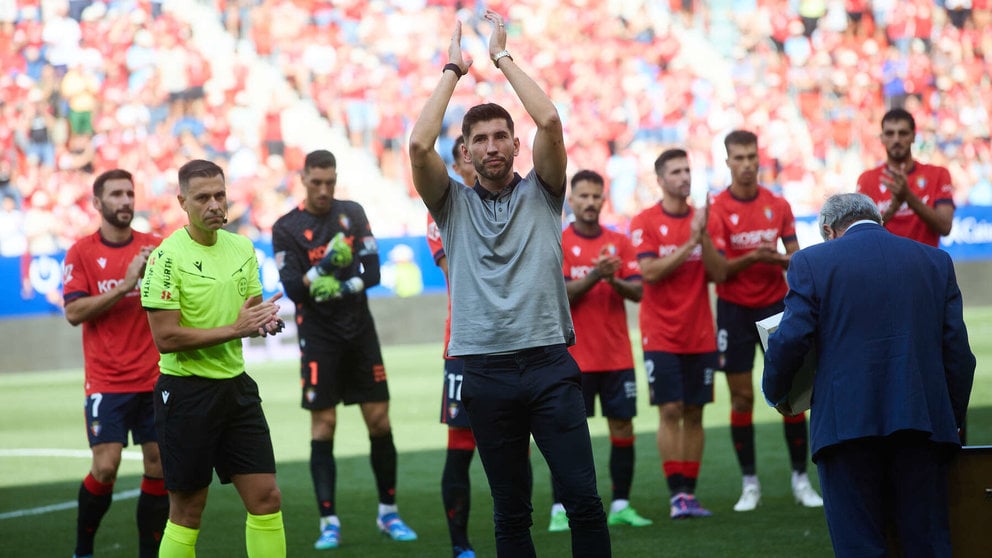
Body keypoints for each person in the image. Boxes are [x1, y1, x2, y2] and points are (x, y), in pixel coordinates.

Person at [408, 11, 611, 558]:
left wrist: (501, 58)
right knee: (511, 513)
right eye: (480, 139)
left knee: (583, 499)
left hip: (548, 363)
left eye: (501, 136)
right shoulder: (450, 205)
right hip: (484, 369)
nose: (492, 146)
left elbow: (550, 122)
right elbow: (419, 148)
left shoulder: (544, 192)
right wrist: (453, 69)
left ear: (515, 146)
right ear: (467, 153)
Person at [763, 193, 975, 558]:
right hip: (923, 426)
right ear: (878, 219)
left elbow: (791, 339)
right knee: (927, 546)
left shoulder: (811, 262)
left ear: (829, 230)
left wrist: (778, 394)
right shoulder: (935, 261)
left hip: (846, 428)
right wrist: (950, 419)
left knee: (860, 546)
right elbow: (958, 354)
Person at [271, 149, 417, 550]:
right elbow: (297, 290)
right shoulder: (286, 227)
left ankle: (388, 513)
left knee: (380, 423)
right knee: (324, 426)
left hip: (359, 332)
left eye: (330, 182)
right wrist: (325, 268)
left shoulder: (352, 213)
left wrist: (344, 284)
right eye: (316, 182)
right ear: (303, 179)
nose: (323, 190)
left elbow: (372, 272)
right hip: (319, 337)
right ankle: (329, 522)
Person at [141, 159, 287, 558]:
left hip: (236, 389)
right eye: (202, 197)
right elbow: (166, 338)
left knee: (266, 499)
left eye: (220, 195)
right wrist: (235, 330)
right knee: (187, 511)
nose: (214, 204)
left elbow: (250, 312)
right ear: (182, 202)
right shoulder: (166, 257)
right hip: (186, 394)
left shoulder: (242, 246)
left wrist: (264, 322)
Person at [707, 130, 823, 511]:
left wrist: (770, 258)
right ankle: (750, 483)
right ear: (727, 162)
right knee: (741, 398)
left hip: (776, 307)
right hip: (734, 311)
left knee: (790, 392)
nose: (745, 164)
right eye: (737, 157)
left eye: (751, 157)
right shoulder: (717, 207)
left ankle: (801, 479)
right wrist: (759, 257)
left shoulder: (778, 204)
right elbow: (721, 270)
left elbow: (797, 257)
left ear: (759, 159)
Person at [62, 169, 167, 558]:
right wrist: (125, 285)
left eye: (129, 193)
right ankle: (83, 549)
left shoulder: (156, 248)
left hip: (155, 378)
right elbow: (74, 312)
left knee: (158, 466)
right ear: (98, 203)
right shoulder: (82, 253)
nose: (125, 201)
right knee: (106, 466)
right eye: (116, 195)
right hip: (107, 382)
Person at [550, 169, 650, 531]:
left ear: (603, 201)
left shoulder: (619, 243)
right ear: (571, 201)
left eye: (596, 197)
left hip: (616, 355)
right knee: (564, 434)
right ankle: (559, 508)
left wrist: (611, 277)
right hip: (573, 357)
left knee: (622, 428)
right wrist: (597, 274)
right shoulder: (557, 241)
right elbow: (559, 293)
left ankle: (621, 503)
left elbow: (638, 292)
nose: (591, 203)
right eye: (584, 197)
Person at [629, 149, 724, 520]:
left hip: (700, 333)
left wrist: (704, 237)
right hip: (661, 334)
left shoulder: (703, 220)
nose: (684, 177)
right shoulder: (645, 220)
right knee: (670, 409)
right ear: (660, 179)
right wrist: (690, 243)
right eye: (676, 171)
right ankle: (675, 495)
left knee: (695, 412)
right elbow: (649, 272)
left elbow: (719, 274)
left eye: (687, 170)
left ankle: (690, 492)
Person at [428, 135, 491, 558]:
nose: (476, 160)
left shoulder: (511, 200)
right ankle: (459, 544)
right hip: (466, 345)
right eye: (467, 155)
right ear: (459, 163)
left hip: (511, 341)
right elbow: (463, 274)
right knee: (461, 447)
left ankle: (514, 532)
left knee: (514, 445)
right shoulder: (443, 211)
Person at [856, 108, 955, 248]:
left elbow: (945, 227)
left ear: (914, 136)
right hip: (884, 267)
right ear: (882, 137)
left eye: (903, 133)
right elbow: (860, 236)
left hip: (924, 265)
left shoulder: (938, 174)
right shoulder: (867, 179)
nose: (896, 139)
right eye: (890, 133)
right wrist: (892, 209)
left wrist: (908, 197)